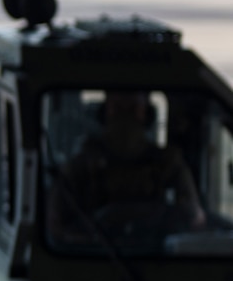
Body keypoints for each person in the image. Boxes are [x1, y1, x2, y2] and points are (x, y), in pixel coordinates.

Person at [46, 89, 205, 250]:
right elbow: (56, 227)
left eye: (133, 109)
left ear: (147, 114)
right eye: (117, 108)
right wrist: (88, 243)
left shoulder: (168, 163)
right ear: (105, 113)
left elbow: (193, 219)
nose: (125, 118)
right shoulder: (81, 166)